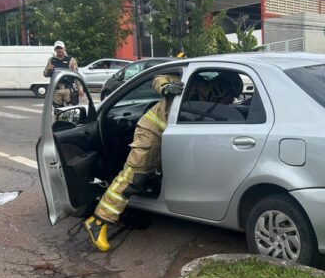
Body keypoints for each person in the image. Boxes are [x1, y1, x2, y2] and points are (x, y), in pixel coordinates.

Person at [84, 71, 244, 252]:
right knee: (134, 176)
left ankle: (142, 206)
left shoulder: (213, 103)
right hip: (152, 131)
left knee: (168, 172)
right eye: (230, 96)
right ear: (221, 88)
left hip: (172, 137)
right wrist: (166, 88)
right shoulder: (192, 82)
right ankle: (98, 221)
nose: (230, 101)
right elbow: (158, 78)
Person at [43, 41, 84, 108]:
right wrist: (49, 69)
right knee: (57, 111)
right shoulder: (51, 60)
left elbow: (76, 75)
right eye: (57, 48)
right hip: (56, 89)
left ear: (64, 49)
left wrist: (80, 87)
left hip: (68, 89)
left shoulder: (71, 60)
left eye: (61, 48)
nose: (59, 50)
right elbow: (45, 74)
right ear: (55, 50)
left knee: (71, 110)